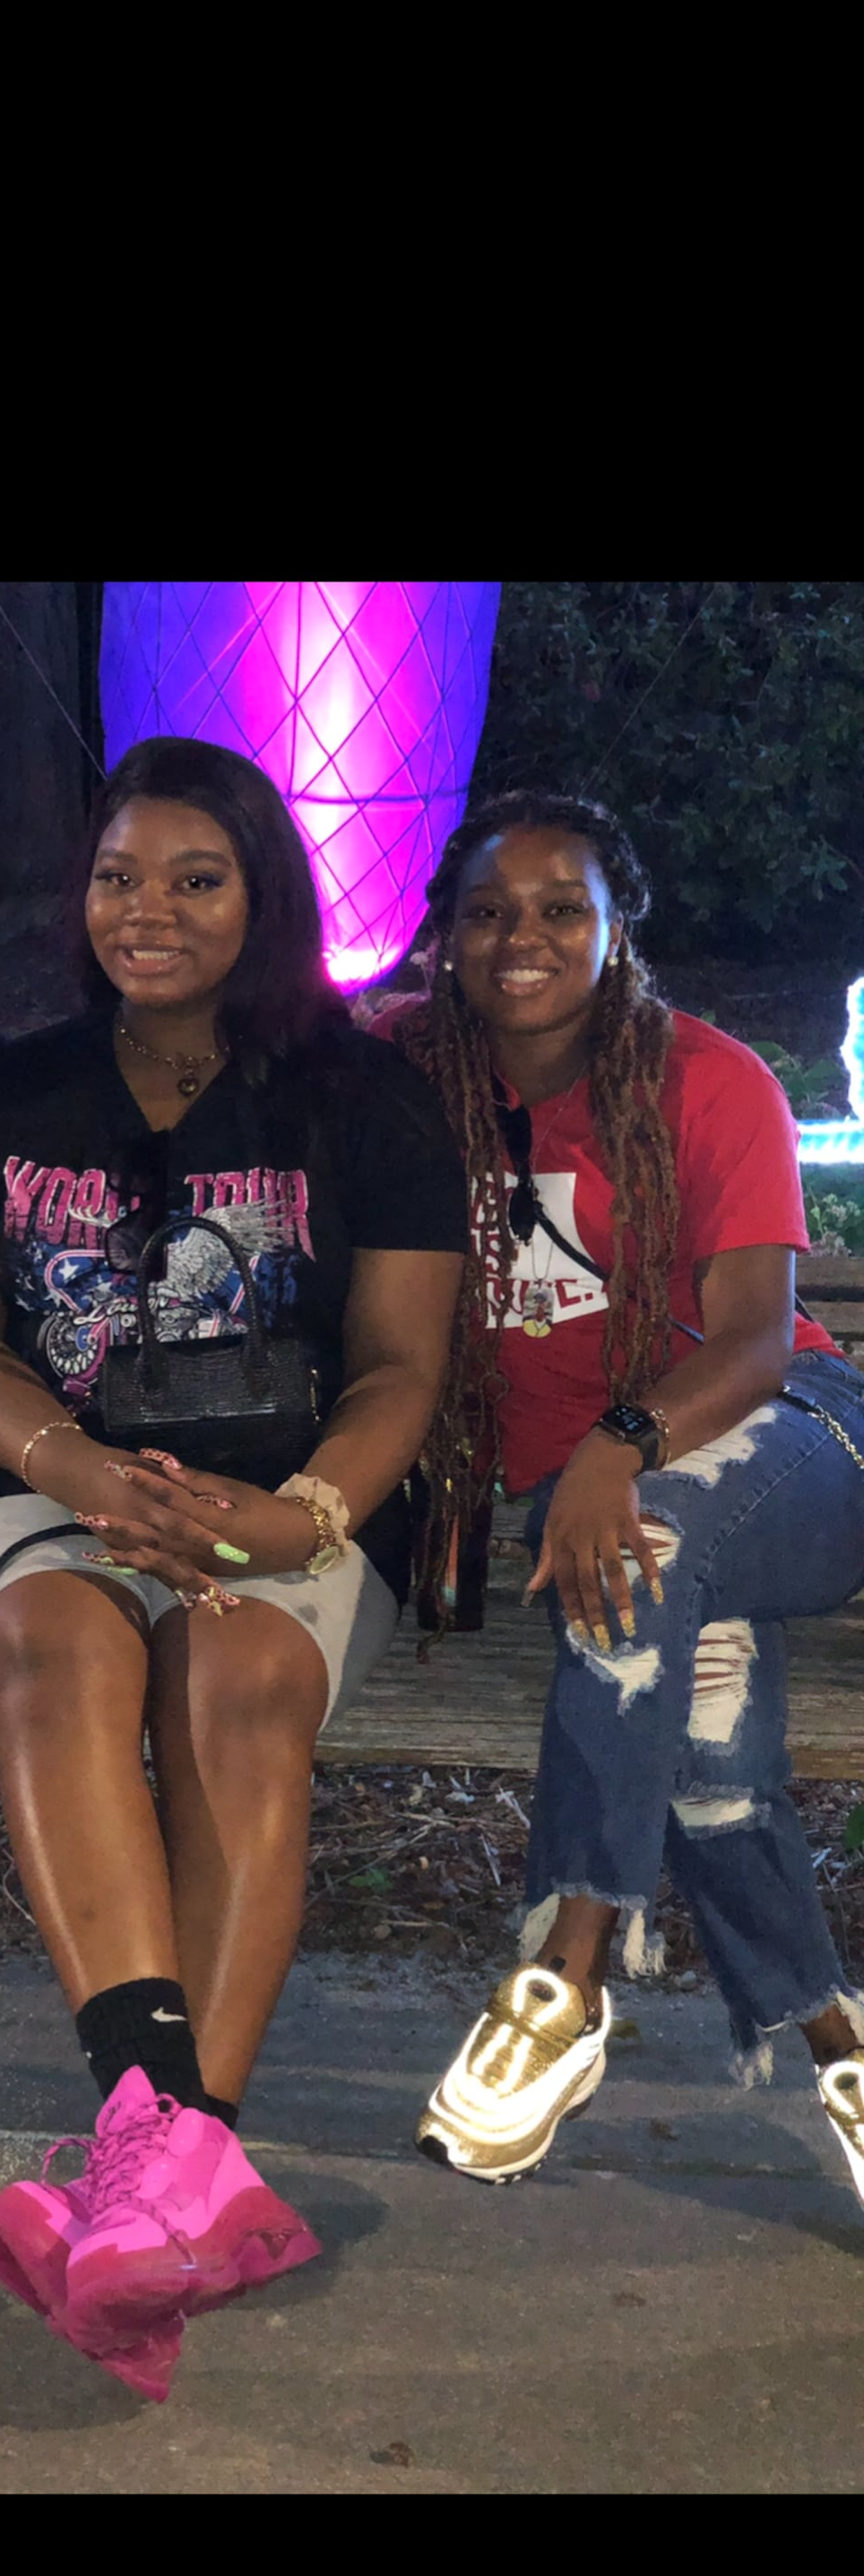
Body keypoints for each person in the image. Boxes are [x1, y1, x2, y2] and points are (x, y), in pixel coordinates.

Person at [0, 736, 466, 2399]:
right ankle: (183, 2172)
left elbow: (396, 1370)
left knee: (239, 1678)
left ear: (265, 895)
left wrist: (295, 1517)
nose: (145, 911)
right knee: (55, 1651)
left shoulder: (362, 1098)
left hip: (288, 1495)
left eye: (195, 878)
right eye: (117, 877)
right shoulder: (8, 1085)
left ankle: (146, 2185)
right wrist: (76, 1469)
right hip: (34, 1478)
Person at [361, 788, 864, 2203]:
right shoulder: (403, 1070)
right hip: (605, 1512)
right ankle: (835, 2039)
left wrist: (619, 1440)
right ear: (444, 937)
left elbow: (760, 1336)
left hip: (792, 1440)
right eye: (487, 911)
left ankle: (563, 1972)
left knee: (642, 1536)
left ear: (616, 926)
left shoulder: (707, 1078)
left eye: (560, 907)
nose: (521, 936)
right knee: (701, 1725)